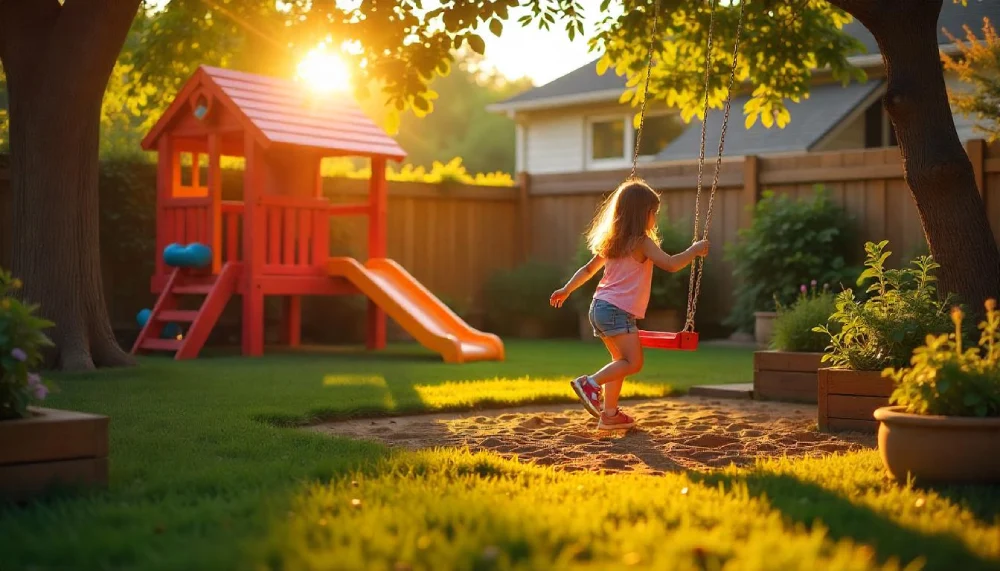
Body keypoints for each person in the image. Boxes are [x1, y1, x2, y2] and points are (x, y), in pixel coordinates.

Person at [549, 179, 710, 430]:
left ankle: (610, 414)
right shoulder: (641, 242)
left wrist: (566, 289)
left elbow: (588, 269)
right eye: (653, 212)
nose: (655, 218)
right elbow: (670, 264)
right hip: (616, 311)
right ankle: (590, 383)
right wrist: (695, 250)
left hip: (599, 307)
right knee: (633, 362)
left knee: (619, 361)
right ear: (643, 213)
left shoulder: (613, 241)